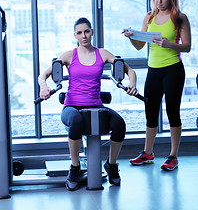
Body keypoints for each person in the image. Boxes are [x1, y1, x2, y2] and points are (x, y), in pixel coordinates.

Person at [38, 17, 139, 191]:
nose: (83, 36)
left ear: (92, 32)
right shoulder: (69, 55)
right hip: (72, 106)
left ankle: (111, 164)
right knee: (76, 121)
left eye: (86, 31)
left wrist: (132, 83)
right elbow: (43, 75)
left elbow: (129, 70)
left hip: (96, 105)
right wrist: (44, 87)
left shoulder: (103, 53)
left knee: (119, 123)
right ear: (75, 35)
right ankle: (75, 167)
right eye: (79, 33)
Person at [124, 0, 191, 171]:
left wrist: (169, 44)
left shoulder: (180, 18)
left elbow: (187, 46)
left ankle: (173, 156)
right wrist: (131, 37)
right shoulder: (149, 17)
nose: (159, 0)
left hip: (173, 70)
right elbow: (140, 46)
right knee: (150, 112)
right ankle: (148, 152)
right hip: (153, 70)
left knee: (172, 112)